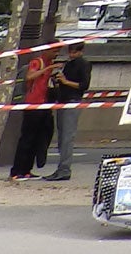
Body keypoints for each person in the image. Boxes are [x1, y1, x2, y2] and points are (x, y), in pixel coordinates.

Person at [41, 41, 90, 182]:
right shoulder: (68, 64)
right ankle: (62, 167)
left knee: (68, 137)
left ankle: (65, 169)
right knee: (62, 137)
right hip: (62, 100)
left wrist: (65, 81)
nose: (71, 54)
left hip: (72, 101)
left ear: (80, 51)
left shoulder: (83, 64)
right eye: (70, 51)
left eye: (74, 51)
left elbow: (83, 85)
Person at [7, 48, 56, 181]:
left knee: (37, 139)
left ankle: (27, 169)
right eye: (54, 51)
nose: (56, 54)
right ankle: (16, 171)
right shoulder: (37, 62)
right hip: (32, 104)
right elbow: (30, 76)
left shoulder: (50, 64)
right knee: (27, 138)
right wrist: (47, 69)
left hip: (43, 104)